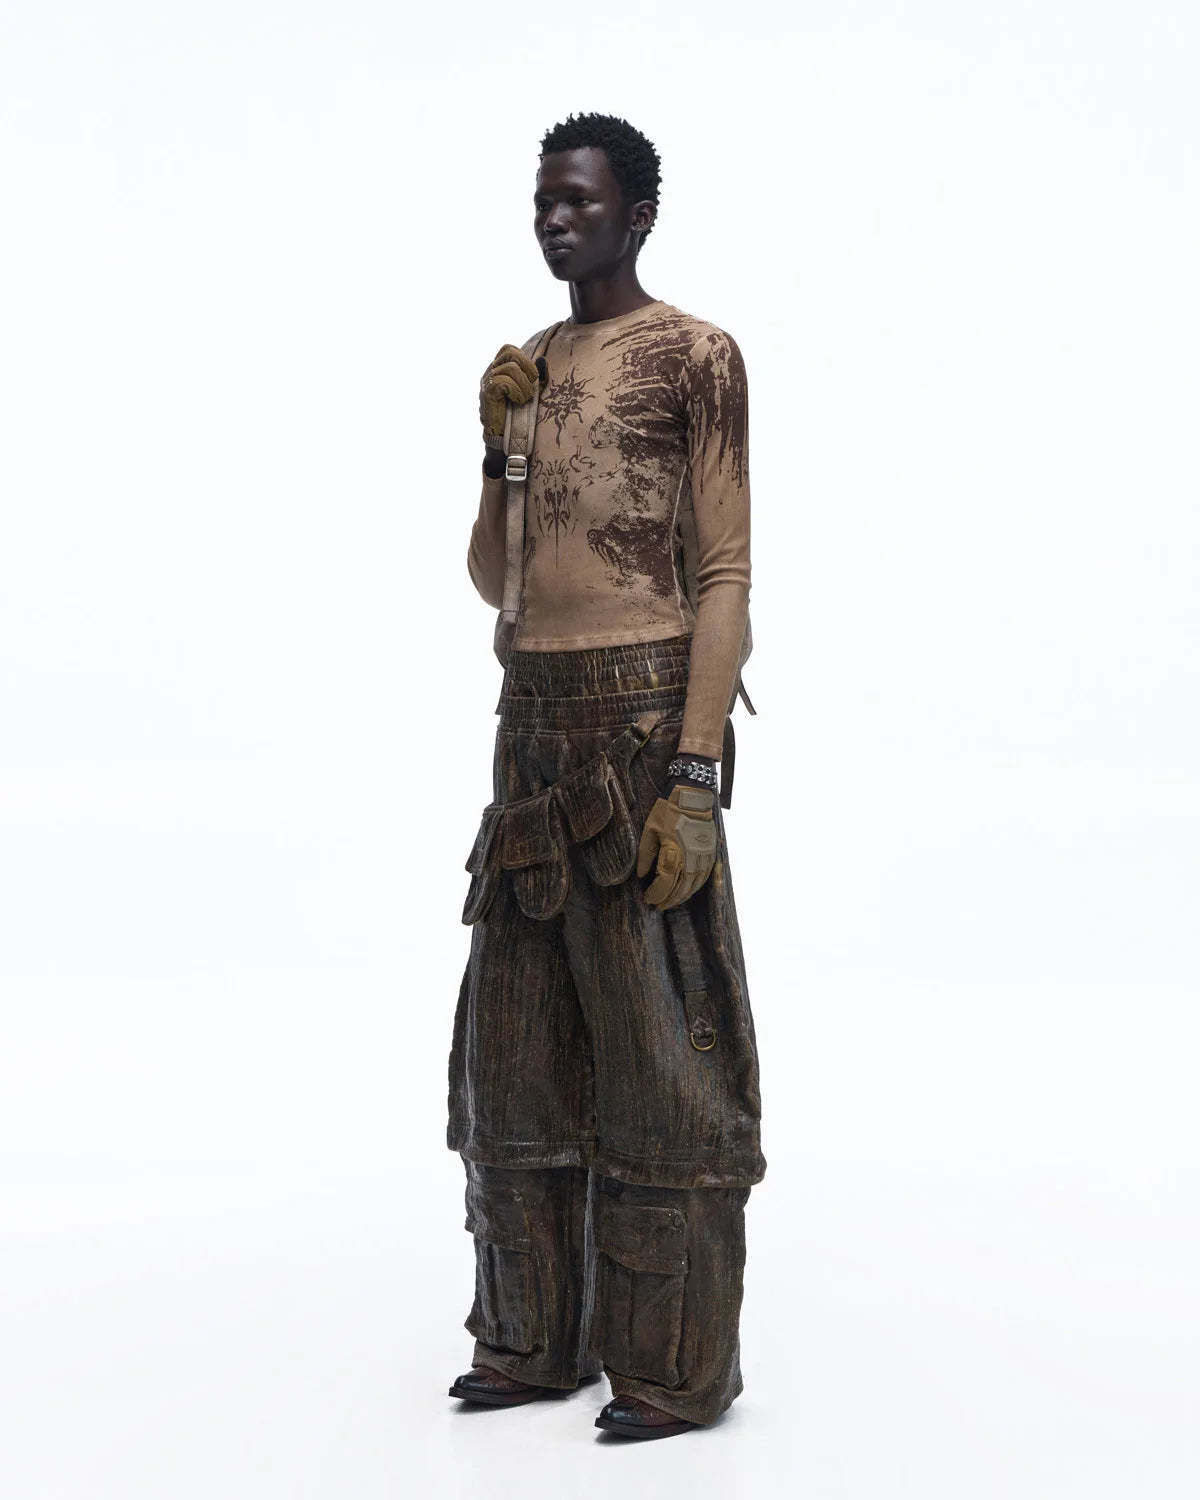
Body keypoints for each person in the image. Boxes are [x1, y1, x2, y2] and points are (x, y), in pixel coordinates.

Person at [446, 111, 765, 1441]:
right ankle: (532, 1341)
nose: (555, 220)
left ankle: (671, 1368)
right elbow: (495, 582)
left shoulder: (695, 354)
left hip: (641, 724)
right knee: (516, 1049)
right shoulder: (528, 367)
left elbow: (726, 573)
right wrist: (500, 449)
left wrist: (693, 772)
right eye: (544, 200)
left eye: (579, 200)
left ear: (637, 215)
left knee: (660, 1052)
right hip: (531, 727)